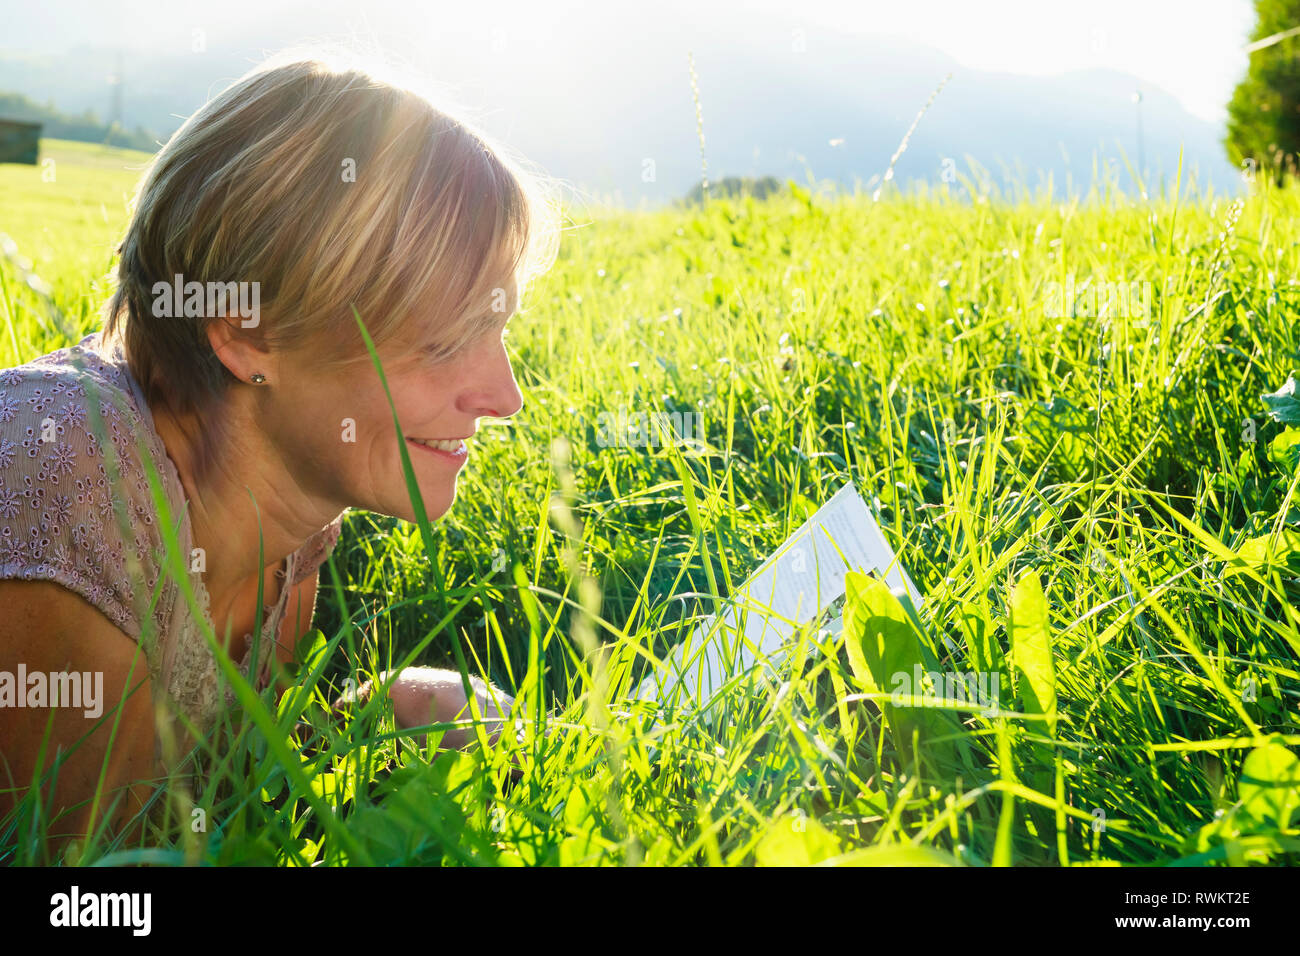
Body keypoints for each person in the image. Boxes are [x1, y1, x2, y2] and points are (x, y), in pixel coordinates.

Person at [0, 48, 561, 845]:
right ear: (246, 333)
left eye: (497, 334)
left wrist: (362, 730)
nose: (504, 397)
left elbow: (218, 801)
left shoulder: (291, 520)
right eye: (444, 344)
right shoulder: (75, 486)